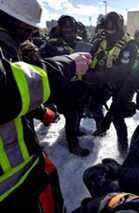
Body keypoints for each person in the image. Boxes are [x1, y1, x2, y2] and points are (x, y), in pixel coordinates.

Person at [0, 0, 91, 211]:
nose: (29, 36)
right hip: (10, 186)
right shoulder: (49, 44)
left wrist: (40, 111)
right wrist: (66, 65)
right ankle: (72, 142)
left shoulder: (13, 45)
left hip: (23, 164)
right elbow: (12, 87)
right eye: (27, 29)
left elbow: (17, 88)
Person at [84, 12, 137, 155]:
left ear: (119, 28)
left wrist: (99, 76)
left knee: (117, 118)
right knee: (94, 105)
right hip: (103, 82)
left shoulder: (130, 45)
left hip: (123, 86)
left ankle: (123, 150)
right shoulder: (100, 40)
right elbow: (90, 57)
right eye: (106, 28)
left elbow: (124, 72)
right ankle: (101, 128)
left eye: (112, 29)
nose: (109, 32)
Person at [41, 15, 93, 157]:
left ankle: (75, 129)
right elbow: (43, 64)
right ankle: (73, 144)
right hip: (63, 87)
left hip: (81, 85)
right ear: (60, 28)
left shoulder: (82, 42)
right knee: (71, 114)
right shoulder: (51, 44)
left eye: (71, 26)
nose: (68, 29)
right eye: (65, 27)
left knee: (79, 111)